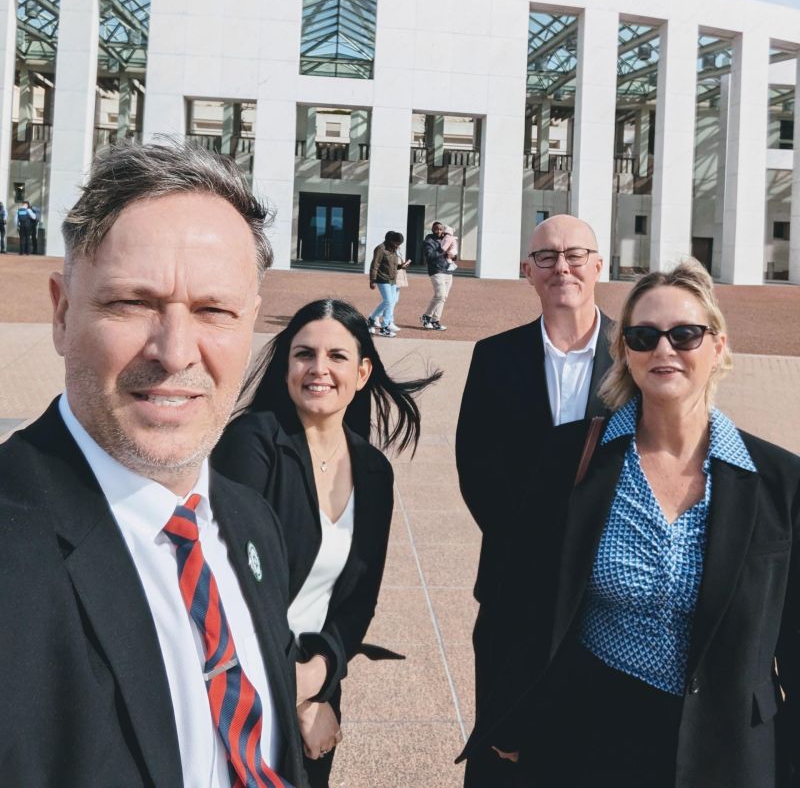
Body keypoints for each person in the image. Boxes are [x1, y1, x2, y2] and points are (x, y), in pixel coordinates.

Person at [0, 140, 306, 788]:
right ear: (61, 313)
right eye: (132, 304)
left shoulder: (250, 522)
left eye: (213, 311)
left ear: (251, 323)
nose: (174, 352)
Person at [465, 259, 800, 788]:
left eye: (685, 334)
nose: (664, 350)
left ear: (718, 347)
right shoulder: (570, 457)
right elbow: (518, 598)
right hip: (591, 733)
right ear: (625, 352)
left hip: (730, 747)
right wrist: (507, 716)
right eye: (643, 337)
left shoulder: (780, 480)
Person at [213, 298, 441, 787]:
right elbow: (233, 585)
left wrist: (318, 679)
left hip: (315, 686)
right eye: (304, 354)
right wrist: (288, 687)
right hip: (237, 684)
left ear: (361, 373)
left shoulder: (374, 471)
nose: (319, 369)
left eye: (337, 356)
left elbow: (358, 602)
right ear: (286, 366)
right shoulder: (252, 443)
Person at [455, 213, 613, 787]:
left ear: (600, 264)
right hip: (513, 584)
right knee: (504, 747)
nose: (562, 267)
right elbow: (477, 469)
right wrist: (537, 543)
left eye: (575, 254)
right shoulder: (495, 356)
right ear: (527, 271)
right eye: (546, 257)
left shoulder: (636, 356)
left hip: (609, 586)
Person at [367, 230, 410, 337]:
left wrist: (401, 266)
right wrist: (372, 280)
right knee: (388, 301)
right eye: (396, 243)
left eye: (399, 244)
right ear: (391, 241)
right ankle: (374, 320)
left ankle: (383, 325)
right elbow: (375, 265)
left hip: (392, 279)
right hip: (382, 278)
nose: (398, 246)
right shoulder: (380, 248)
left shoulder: (393, 250)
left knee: (391, 302)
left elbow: (393, 265)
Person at [421, 220, 456, 330]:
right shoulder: (428, 241)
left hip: (447, 270)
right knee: (440, 295)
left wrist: (452, 255)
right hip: (436, 270)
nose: (439, 231)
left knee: (443, 297)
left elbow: (453, 255)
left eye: (441, 229)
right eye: (436, 229)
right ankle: (426, 316)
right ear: (432, 229)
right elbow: (430, 256)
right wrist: (442, 251)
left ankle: (435, 320)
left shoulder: (446, 239)